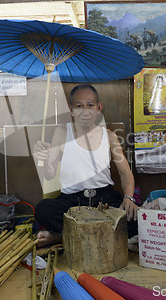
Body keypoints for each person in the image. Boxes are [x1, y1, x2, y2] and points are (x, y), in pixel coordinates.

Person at [33, 84, 138, 247]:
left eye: (90, 105)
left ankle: (64, 236)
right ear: (71, 109)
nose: (85, 111)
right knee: (43, 210)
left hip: (105, 200)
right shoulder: (62, 133)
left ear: (98, 108)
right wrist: (42, 160)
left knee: (136, 218)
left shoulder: (109, 136)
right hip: (72, 202)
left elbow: (125, 173)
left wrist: (128, 198)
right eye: (79, 106)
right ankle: (100, 234)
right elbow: (49, 173)